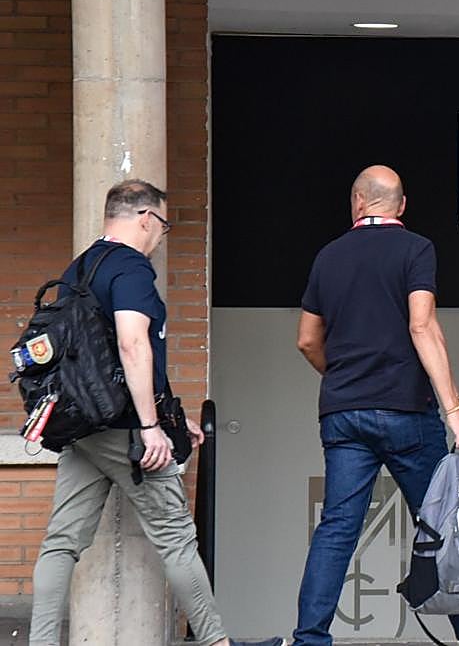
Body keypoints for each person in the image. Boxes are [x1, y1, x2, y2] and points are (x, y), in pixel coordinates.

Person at [28, 179, 286, 646]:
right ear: (146, 218)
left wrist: (170, 417)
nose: (160, 235)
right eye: (162, 225)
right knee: (176, 539)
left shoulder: (79, 268)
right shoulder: (131, 268)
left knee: (61, 542)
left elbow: (93, 355)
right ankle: (216, 643)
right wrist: (151, 428)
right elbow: (130, 344)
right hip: (125, 431)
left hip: (82, 426)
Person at [292, 165, 459, 646]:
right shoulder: (415, 249)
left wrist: (344, 380)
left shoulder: (328, 256)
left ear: (357, 202)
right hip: (407, 412)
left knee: (338, 527)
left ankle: (309, 639)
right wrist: (455, 408)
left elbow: (305, 340)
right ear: (401, 206)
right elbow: (422, 325)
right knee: (445, 522)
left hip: (343, 414)